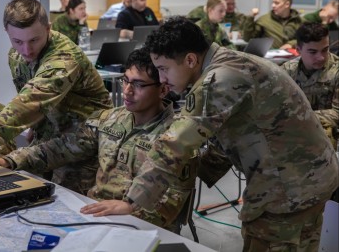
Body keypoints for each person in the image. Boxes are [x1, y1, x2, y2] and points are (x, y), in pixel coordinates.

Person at [143, 16, 338, 251]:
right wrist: (195, 171)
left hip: (287, 189)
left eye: (164, 69)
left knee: (263, 242)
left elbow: (174, 144)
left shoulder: (218, 79)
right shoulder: (230, 62)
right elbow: (228, 135)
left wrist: (133, 201)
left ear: (191, 59)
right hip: (313, 177)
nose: (162, 79)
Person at [0, 48, 198, 233]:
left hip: (139, 225)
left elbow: (172, 200)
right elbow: (61, 148)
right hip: (96, 216)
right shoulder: (110, 119)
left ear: (162, 89)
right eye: (125, 81)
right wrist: (11, 161)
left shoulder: (177, 137)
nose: (127, 91)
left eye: (139, 85)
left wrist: (132, 209)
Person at [0, 0, 113, 195]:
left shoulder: (64, 57)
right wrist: (35, 126)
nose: (27, 49)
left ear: (48, 28)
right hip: (48, 140)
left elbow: (34, 99)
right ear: (7, 33)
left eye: (34, 40)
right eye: (17, 41)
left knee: (70, 208)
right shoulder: (16, 55)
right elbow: (26, 92)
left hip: (82, 144)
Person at [282, 22, 339, 148]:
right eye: (313, 52)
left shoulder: (336, 70)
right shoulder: (288, 70)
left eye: (325, 50)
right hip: (291, 128)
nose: (321, 57)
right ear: (298, 50)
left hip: (323, 131)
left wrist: (301, 116)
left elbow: (337, 113)